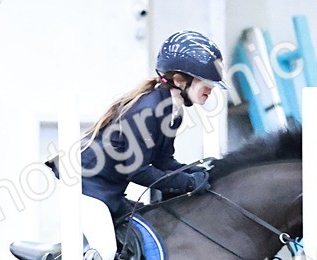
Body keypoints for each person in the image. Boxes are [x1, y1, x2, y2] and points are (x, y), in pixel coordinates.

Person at [52, 30, 227, 220]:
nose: (211, 89)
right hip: (85, 185)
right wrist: (188, 183)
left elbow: (163, 161)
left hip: (109, 188)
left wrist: (198, 170)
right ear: (178, 80)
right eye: (207, 83)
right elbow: (137, 171)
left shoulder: (174, 113)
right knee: (107, 248)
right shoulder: (147, 111)